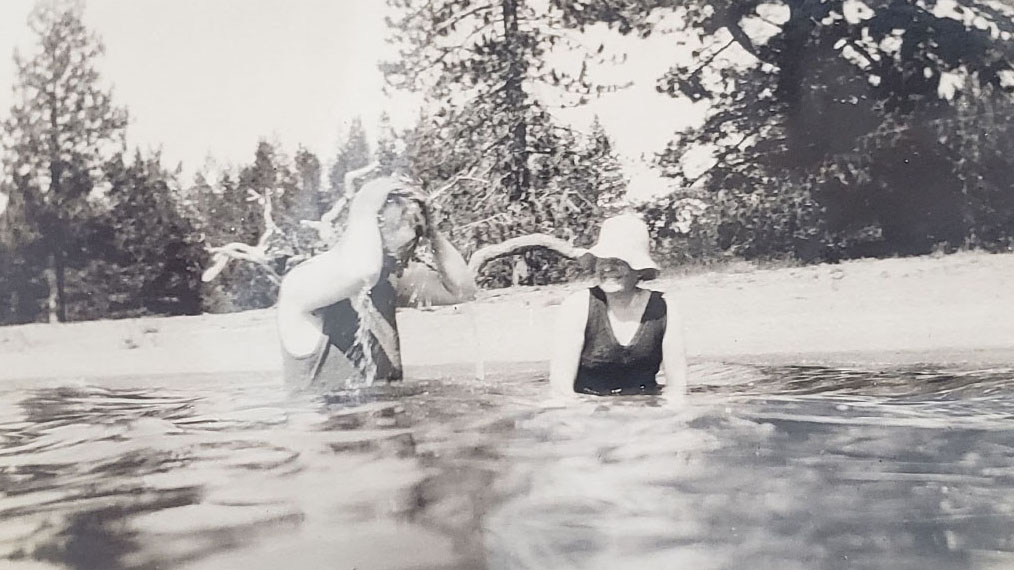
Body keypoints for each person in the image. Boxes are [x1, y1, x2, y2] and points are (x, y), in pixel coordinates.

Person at [277, 176, 476, 390]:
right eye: (393, 251)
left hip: (380, 419)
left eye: (413, 243)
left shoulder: (386, 279)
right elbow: (364, 273)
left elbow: (462, 291)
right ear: (370, 231)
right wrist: (364, 207)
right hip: (326, 421)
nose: (405, 260)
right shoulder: (302, 282)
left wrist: (432, 233)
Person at [549, 213, 687, 397]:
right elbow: (561, 389)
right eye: (602, 260)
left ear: (639, 269)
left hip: (645, 408)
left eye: (618, 261)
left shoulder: (664, 308)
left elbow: (677, 387)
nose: (607, 268)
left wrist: (663, 418)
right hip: (587, 409)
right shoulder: (577, 306)